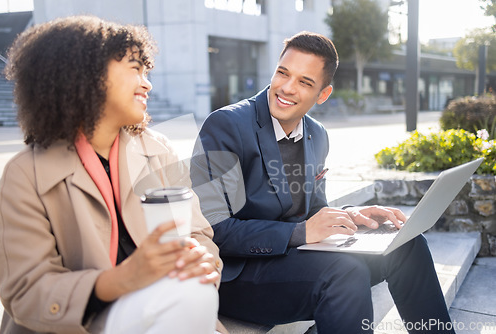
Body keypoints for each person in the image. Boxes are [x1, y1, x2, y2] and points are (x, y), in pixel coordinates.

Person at [191, 31, 455, 333]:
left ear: (323, 94)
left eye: (304, 82)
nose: (287, 88)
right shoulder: (226, 125)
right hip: (238, 275)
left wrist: (352, 216)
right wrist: (300, 232)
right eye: (283, 73)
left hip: (296, 261)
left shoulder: (317, 135)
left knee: (406, 246)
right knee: (345, 273)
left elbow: (313, 209)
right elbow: (215, 229)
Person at [0, 15, 227, 334]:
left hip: (164, 305)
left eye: (147, 71)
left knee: (192, 293)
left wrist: (203, 264)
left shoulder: (158, 149)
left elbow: (198, 234)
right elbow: (26, 292)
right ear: (84, 76)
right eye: (135, 69)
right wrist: (120, 280)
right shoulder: (24, 174)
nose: (147, 83)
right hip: (81, 324)